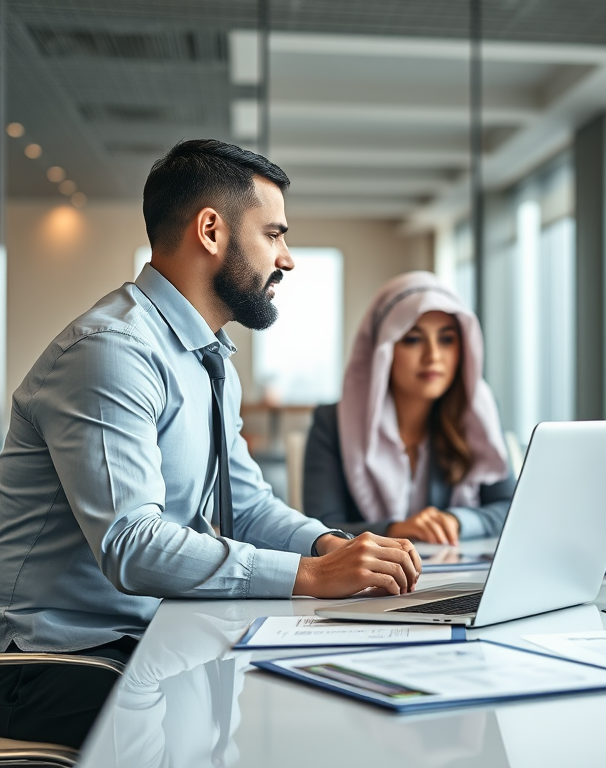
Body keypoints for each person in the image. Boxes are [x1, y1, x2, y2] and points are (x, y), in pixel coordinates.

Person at [0, 139, 420, 747]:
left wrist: (333, 546)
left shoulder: (206, 357)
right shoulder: (111, 350)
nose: (288, 258)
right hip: (68, 658)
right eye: (273, 234)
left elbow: (244, 505)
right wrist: (308, 575)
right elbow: (132, 545)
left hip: (154, 634)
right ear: (211, 231)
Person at [303, 271, 515, 545]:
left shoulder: (476, 413)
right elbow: (321, 526)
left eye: (447, 339)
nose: (433, 356)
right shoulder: (332, 422)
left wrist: (456, 521)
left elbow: (508, 507)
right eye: (413, 339)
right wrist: (396, 530)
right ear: (383, 350)